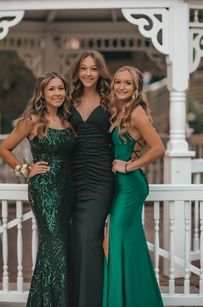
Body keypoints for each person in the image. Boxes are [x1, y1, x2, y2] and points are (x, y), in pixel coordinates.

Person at [0, 72, 76, 307]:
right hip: (45, 190)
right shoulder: (32, 120)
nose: (57, 93)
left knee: (57, 249)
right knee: (55, 249)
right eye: (51, 89)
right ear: (42, 93)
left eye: (60, 88)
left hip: (67, 189)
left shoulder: (68, 120)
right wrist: (25, 169)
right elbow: (3, 149)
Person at [102, 66, 165, 307]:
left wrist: (130, 166)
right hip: (120, 186)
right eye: (118, 82)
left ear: (136, 87)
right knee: (123, 242)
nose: (121, 87)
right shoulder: (119, 111)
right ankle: (138, 299)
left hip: (130, 186)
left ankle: (120, 300)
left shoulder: (137, 112)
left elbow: (159, 148)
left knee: (112, 241)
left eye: (127, 83)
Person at [69, 50, 115, 307]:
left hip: (100, 180)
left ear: (100, 72)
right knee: (77, 239)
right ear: (77, 71)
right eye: (84, 68)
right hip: (72, 177)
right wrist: (26, 168)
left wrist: (132, 159)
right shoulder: (66, 100)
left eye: (93, 68)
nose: (88, 73)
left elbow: (130, 132)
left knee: (89, 238)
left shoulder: (110, 101)